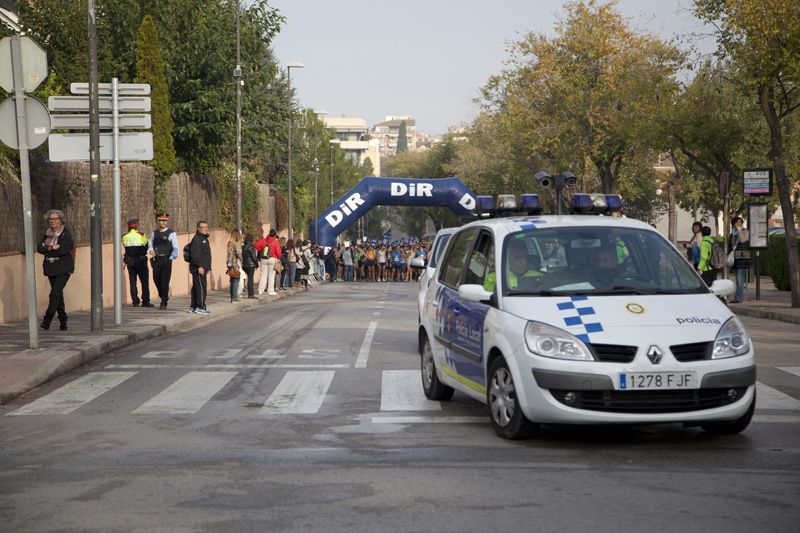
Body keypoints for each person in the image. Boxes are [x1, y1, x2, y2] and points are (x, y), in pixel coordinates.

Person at [37, 209, 74, 331]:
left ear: (60, 220)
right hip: (51, 268)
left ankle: (47, 320)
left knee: (54, 294)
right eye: (50, 219)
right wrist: (53, 247)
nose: (53, 221)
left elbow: (65, 249)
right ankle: (63, 320)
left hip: (64, 268)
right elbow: (40, 248)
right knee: (58, 296)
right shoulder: (47, 234)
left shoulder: (65, 234)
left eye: (55, 219)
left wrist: (49, 248)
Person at [148, 213, 179, 310]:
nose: (163, 222)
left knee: (164, 281)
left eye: (165, 221)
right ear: (158, 221)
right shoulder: (154, 233)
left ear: (167, 222)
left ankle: (164, 302)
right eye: (161, 220)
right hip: (157, 260)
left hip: (166, 260)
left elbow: (176, 248)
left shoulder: (171, 233)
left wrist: (171, 258)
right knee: (156, 279)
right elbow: (150, 244)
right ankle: (164, 296)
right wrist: (151, 250)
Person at [122, 218, 153, 308]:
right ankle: (145, 302)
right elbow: (146, 246)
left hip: (130, 261)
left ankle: (135, 302)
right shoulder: (141, 235)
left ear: (129, 227)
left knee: (132, 282)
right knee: (144, 281)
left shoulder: (124, 236)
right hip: (141, 261)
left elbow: (125, 247)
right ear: (136, 226)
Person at [189, 221, 212, 314]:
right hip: (199, 268)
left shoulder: (203, 238)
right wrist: (200, 266)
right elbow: (195, 255)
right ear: (198, 228)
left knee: (196, 288)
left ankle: (193, 306)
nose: (206, 228)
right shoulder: (198, 239)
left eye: (206, 227)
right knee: (201, 288)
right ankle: (200, 306)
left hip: (202, 267)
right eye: (203, 227)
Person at [729, 216, 751, 303]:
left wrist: (738, 230)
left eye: (740, 222)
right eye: (737, 222)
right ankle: (738, 296)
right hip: (735, 258)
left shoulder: (745, 231)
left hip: (743, 257)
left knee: (740, 279)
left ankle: (739, 298)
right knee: (737, 279)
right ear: (733, 224)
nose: (739, 223)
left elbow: (742, 240)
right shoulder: (732, 234)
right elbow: (731, 246)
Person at [226, 230, 243, 303]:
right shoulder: (236, 243)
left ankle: (232, 297)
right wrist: (242, 260)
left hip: (229, 263)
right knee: (236, 279)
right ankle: (234, 298)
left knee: (232, 279)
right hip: (234, 263)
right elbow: (239, 253)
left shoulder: (229, 243)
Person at [264, 229, 281, 295]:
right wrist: (278, 257)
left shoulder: (265, 240)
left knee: (264, 275)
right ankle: (270, 290)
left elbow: (257, 246)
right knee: (271, 275)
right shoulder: (275, 242)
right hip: (272, 258)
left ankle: (261, 289)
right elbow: (278, 252)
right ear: (275, 235)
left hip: (264, 259)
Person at [241, 233, 259, 299]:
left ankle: (241, 291)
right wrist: (257, 264)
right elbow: (254, 257)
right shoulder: (251, 246)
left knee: (243, 278)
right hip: (251, 265)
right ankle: (251, 294)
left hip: (244, 264)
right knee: (250, 279)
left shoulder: (243, 246)